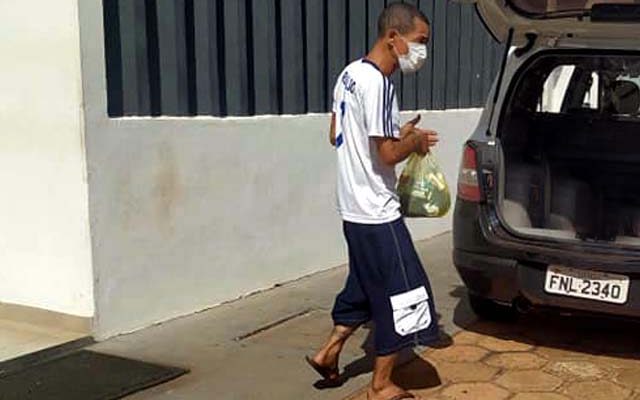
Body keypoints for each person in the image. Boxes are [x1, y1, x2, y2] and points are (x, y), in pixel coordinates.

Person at [306, 3, 439, 400]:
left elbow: (336, 133)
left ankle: (328, 353)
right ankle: (380, 385)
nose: (422, 52)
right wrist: (411, 142)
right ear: (393, 38)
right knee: (405, 294)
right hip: (377, 213)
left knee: (364, 286)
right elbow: (386, 155)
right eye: (420, 43)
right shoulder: (380, 84)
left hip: (351, 209)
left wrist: (395, 132)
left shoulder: (348, 74)